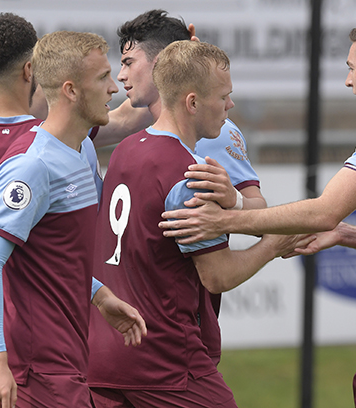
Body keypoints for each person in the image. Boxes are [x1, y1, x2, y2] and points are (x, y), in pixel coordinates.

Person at [160, 18, 356, 408]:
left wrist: (225, 220)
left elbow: (324, 210)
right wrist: (346, 234)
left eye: (350, 68)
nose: (347, 81)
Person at [0, 13, 153, 408]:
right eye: (103, 79)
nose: (112, 86)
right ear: (32, 70)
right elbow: (127, 119)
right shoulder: (56, 147)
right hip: (26, 342)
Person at [88, 40, 310, 408]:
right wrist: (274, 244)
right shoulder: (190, 174)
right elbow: (217, 276)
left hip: (105, 355)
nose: (230, 105)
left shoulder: (126, 149)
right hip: (165, 360)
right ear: (192, 103)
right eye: (224, 95)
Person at [90, 9, 268, 376]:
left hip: (163, 335)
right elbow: (99, 121)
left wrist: (234, 201)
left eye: (128, 62)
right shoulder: (140, 134)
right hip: (151, 342)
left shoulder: (214, 131)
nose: (120, 75)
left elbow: (257, 212)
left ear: (163, 62)